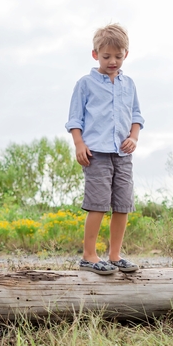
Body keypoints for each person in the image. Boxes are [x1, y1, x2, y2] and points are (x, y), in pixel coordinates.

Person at [65, 23, 145, 275]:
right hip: (95, 154)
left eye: (118, 56)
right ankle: (89, 256)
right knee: (98, 204)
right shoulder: (85, 84)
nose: (112, 61)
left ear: (126, 55)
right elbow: (75, 119)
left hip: (123, 154)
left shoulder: (129, 84)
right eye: (106, 56)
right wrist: (79, 144)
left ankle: (115, 255)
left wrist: (134, 137)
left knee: (122, 205)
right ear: (95, 54)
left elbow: (136, 115)